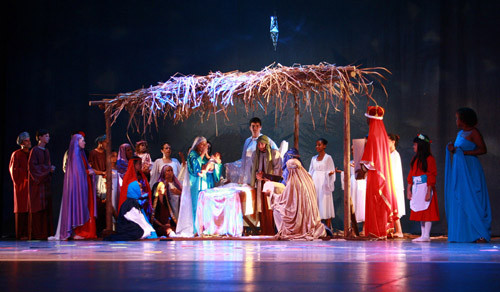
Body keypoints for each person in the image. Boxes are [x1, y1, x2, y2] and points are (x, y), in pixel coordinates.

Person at [445, 107, 491, 243]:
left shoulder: (474, 132)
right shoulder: (460, 133)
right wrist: (452, 149)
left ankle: (480, 233)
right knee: (462, 198)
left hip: (471, 168)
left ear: (463, 119)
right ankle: (467, 233)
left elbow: (483, 149)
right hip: (461, 169)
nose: (456, 120)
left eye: (457, 118)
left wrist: (464, 153)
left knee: (474, 198)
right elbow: (459, 150)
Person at [357, 106, 398, 238]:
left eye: (367, 118)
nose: (366, 120)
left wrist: (362, 169)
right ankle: (383, 229)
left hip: (376, 174)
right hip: (381, 172)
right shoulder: (381, 134)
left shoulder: (374, 134)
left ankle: (377, 230)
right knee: (380, 201)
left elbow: (371, 158)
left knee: (375, 201)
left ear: (371, 118)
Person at [267, 158, 326, 240]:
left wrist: (271, 195)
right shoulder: (309, 180)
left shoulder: (293, 183)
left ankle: (290, 231)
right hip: (310, 218)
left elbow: (285, 200)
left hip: (298, 218)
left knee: (277, 209)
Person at [51, 134, 97, 240]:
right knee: (75, 205)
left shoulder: (81, 155)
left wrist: (90, 172)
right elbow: (77, 173)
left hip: (83, 185)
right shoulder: (74, 156)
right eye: (82, 140)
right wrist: (87, 172)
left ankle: (80, 231)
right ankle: (74, 231)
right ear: (77, 142)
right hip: (76, 188)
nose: (84, 142)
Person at [176, 136, 222, 236]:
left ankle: (207, 228)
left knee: (207, 206)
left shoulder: (206, 156)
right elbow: (195, 168)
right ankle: (196, 229)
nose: (205, 146)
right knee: (197, 206)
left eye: (206, 145)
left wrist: (215, 163)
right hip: (197, 185)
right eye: (203, 144)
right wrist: (202, 155)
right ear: (197, 145)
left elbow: (214, 166)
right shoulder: (193, 154)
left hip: (207, 184)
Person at [226, 117, 278, 184]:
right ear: (250, 128)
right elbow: (244, 158)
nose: (255, 128)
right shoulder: (248, 141)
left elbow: (275, 151)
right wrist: (241, 176)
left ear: (260, 127)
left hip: (260, 170)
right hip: (248, 170)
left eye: (257, 126)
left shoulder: (265, 139)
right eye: (253, 126)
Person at [407, 134, 439, 242]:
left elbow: (431, 174)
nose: (413, 147)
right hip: (417, 188)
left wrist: (428, 191)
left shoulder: (429, 159)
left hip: (425, 187)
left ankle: (426, 235)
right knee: (420, 210)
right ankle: (423, 234)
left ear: (421, 146)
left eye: (415, 145)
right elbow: (411, 174)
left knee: (427, 211)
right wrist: (409, 189)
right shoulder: (414, 159)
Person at [251, 135, 282, 235]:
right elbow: (253, 169)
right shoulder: (256, 155)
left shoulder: (274, 154)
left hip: (271, 184)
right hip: (260, 184)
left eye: (262, 144)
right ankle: (264, 231)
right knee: (262, 209)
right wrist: (257, 176)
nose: (260, 146)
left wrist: (266, 176)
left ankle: (272, 232)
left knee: (270, 207)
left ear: (267, 144)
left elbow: (278, 170)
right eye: (258, 144)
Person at [28, 129, 56, 240]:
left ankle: (46, 234)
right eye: (46, 136)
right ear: (39, 137)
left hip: (45, 184)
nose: (48, 138)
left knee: (46, 208)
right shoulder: (34, 151)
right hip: (37, 184)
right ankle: (37, 234)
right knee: (37, 208)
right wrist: (48, 169)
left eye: (48, 136)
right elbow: (33, 168)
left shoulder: (46, 151)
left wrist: (50, 169)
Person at [309, 138, 337, 229]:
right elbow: (310, 171)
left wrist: (330, 173)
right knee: (316, 203)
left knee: (325, 203)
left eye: (319, 145)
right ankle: (317, 228)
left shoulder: (328, 158)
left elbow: (331, 169)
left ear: (324, 146)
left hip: (325, 183)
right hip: (315, 182)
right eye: (316, 145)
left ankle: (328, 228)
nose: (317, 146)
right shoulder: (313, 158)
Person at [9, 132, 31, 239]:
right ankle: (21, 234)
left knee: (29, 209)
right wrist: (24, 176)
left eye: (29, 140)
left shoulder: (31, 153)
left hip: (30, 186)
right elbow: (14, 170)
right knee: (21, 208)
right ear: (22, 142)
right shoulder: (16, 154)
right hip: (21, 186)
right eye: (27, 140)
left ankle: (29, 233)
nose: (29, 142)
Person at [151, 165, 182, 237]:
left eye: (171, 170)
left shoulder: (176, 184)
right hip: (160, 224)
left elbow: (169, 213)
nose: (170, 172)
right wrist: (163, 225)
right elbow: (153, 217)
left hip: (176, 207)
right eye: (168, 170)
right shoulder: (160, 184)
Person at [88, 134, 107, 235]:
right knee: (98, 202)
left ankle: (104, 227)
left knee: (105, 203)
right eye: (105, 142)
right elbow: (91, 168)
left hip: (105, 180)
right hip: (97, 179)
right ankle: (97, 229)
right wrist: (102, 173)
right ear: (100, 143)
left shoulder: (105, 154)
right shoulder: (93, 153)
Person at [388, 133, 406, 238]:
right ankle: (392, 229)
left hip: (394, 184)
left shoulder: (395, 155)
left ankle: (399, 230)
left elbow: (393, 171)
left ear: (393, 142)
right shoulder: (389, 154)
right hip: (390, 183)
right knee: (391, 208)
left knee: (395, 207)